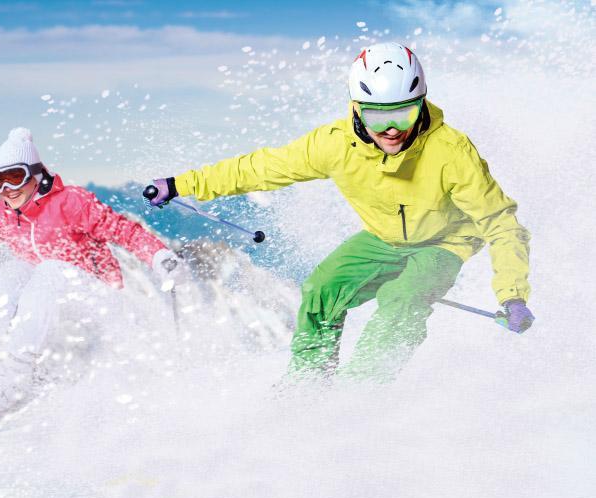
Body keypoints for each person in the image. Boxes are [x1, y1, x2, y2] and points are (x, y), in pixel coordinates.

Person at [145, 42, 533, 382]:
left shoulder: (451, 151)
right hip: (383, 239)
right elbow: (261, 168)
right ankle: (308, 386)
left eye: (404, 115)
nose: (393, 130)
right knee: (322, 289)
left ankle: (361, 392)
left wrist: (513, 295)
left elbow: (500, 222)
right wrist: (181, 184)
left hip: (444, 242)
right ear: (357, 109)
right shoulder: (334, 144)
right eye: (378, 117)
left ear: (421, 105)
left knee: (402, 299)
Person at [0, 127, 184, 424]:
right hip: (55, 315)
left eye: (15, 177)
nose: (7, 188)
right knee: (12, 272)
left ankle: (15, 373)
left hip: (99, 305)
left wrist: (158, 256)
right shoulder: (7, 215)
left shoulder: (70, 202)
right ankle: (5, 365)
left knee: (50, 270)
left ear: (36, 174)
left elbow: (122, 230)